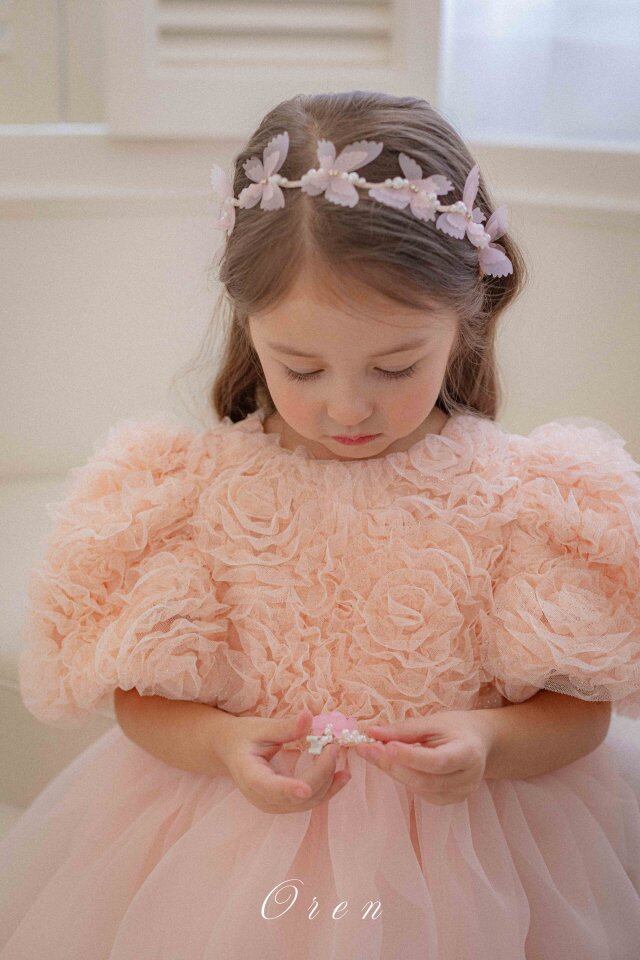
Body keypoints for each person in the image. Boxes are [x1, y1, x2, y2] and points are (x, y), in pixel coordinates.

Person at [2, 90, 640, 960]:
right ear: (250, 325)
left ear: (466, 319)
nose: (347, 407)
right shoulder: (189, 496)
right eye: (301, 367)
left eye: (395, 366)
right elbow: (142, 700)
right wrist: (220, 742)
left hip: (482, 859)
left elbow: (580, 713)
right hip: (232, 854)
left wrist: (492, 739)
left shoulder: (525, 500)